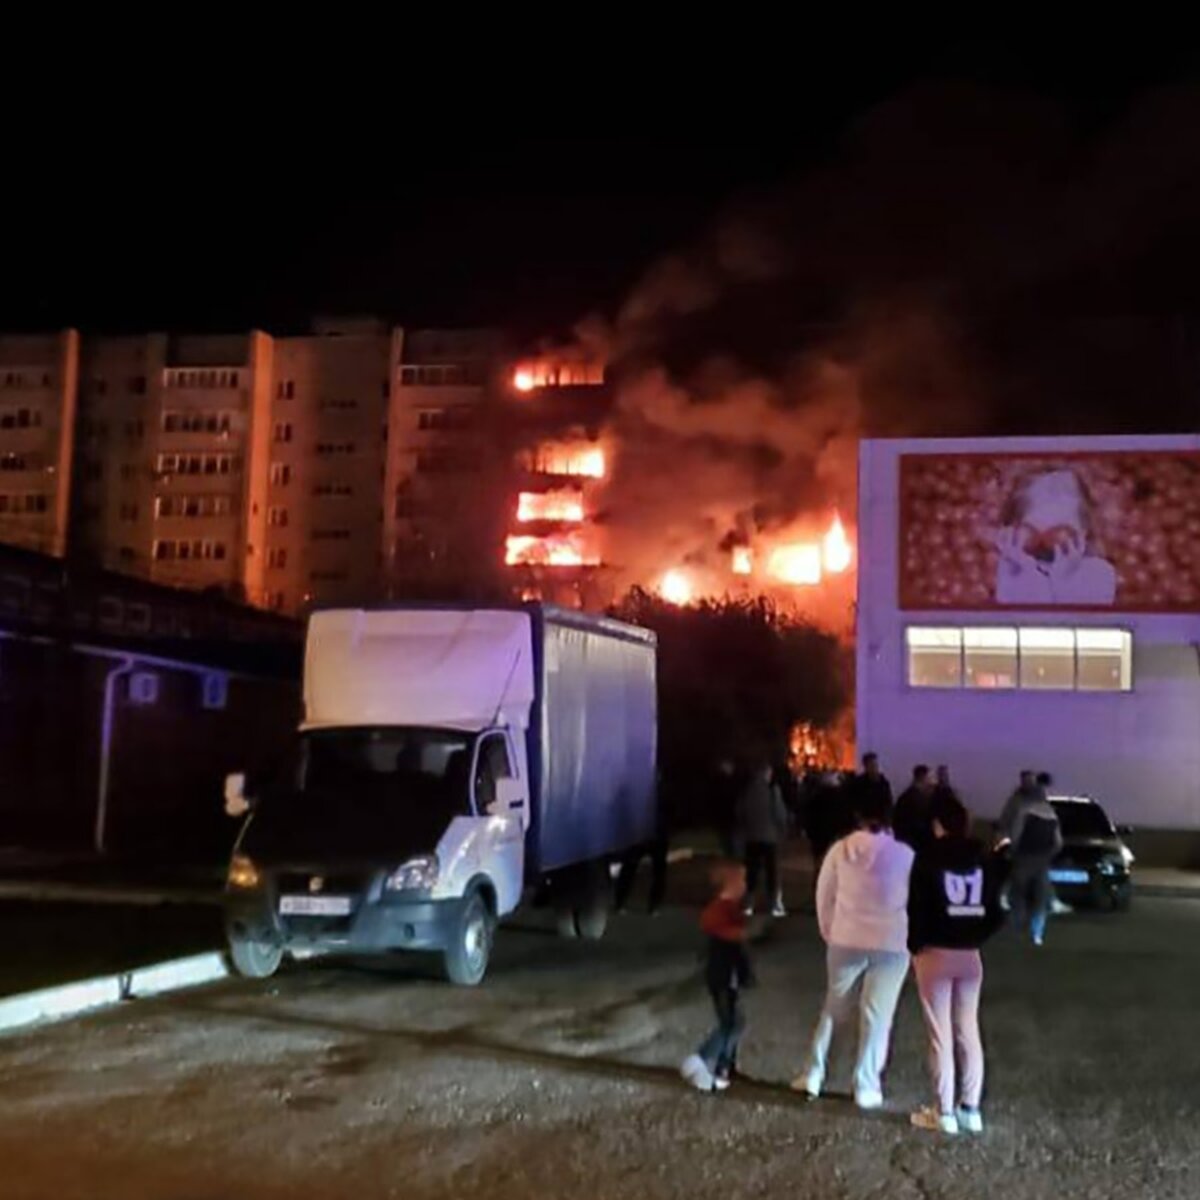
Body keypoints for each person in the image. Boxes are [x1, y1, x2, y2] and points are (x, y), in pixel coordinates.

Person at [792, 785, 915, 1110]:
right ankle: (866, 1086)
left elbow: (824, 895)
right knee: (878, 1015)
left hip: (846, 938)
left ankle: (814, 1074)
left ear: (857, 815)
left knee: (835, 1007)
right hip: (892, 942)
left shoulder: (840, 850)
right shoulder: (905, 855)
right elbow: (916, 900)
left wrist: (830, 931)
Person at [907, 791, 1006, 1136]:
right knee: (968, 1030)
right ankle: (971, 1108)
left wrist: (914, 946)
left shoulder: (927, 857)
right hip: (970, 954)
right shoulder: (983, 858)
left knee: (940, 1035)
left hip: (934, 952)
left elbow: (916, 908)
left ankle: (944, 1111)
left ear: (937, 824)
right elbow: (997, 908)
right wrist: (978, 932)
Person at [680, 861, 754, 1093]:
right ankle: (700, 1060)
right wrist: (745, 932)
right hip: (721, 976)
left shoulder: (730, 907)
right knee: (731, 1023)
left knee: (733, 1020)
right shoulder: (719, 910)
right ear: (731, 883)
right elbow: (726, 934)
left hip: (726, 976)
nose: (744, 885)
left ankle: (725, 1069)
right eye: (741, 880)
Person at [1008, 787, 1063, 946]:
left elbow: (1015, 835)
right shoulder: (1052, 815)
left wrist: (1014, 851)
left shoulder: (1024, 811)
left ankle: (1017, 930)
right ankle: (1037, 934)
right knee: (1040, 898)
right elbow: (1058, 842)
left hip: (1023, 859)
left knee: (1018, 895)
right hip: (1042, 861)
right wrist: (1048, 854)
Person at [736, 761, 789, 917]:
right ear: (767, 773)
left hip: (752, 837)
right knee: (772, 872)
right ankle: (774, 904)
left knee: (752, 871)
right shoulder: (773, 791)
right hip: (770, 838)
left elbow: (740, 812)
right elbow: (780, 814)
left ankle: (749, 903)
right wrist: (783, 829)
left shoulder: (746, 790)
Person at [894, 764, 936, 855]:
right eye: (929, 778)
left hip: (907, 843)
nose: (932, 781)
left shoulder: (905, 797)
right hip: (915, 843)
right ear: (923, 778)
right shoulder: (914, 799)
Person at [849, 752, 894, 824]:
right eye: (871, 765)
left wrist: (886, 820)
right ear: (865, 766)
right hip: (864, 822)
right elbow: (853, 805)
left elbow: (888, 803)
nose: (874, 768)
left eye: (875, 765)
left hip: (881, 822)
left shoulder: (883, 783)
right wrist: (861, 820)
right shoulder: (857, 784)